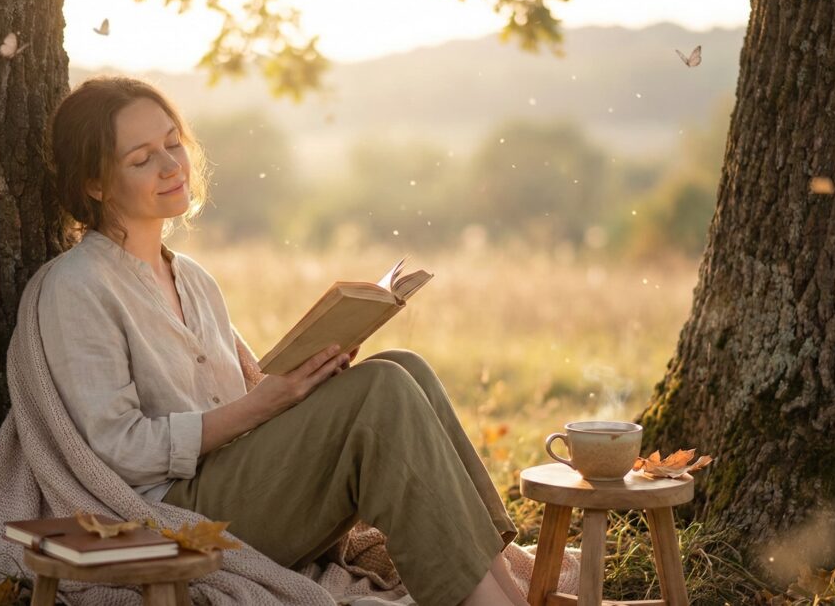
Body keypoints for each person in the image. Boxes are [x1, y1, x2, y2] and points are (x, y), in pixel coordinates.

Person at [39, 76, 524, 606]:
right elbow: (121, 451)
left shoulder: (194, 278)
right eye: (141, 159)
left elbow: (242, 398)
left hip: (240, 481)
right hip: (172, 514)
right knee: (381, 389)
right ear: (95, 185)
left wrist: (312, 378)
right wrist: (265, 404)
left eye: (173, 142)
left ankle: (504, 591)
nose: (171, 165)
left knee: (405, 368)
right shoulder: (77, 286)